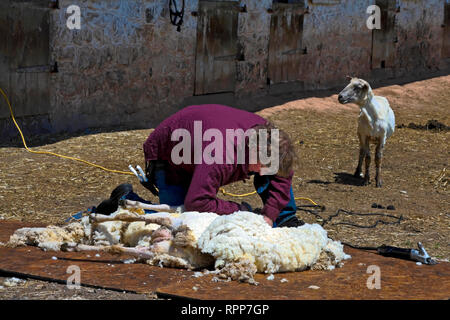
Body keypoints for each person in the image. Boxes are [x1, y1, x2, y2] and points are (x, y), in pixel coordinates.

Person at [141, 104, 303, 228]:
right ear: (254, 150)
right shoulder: (221, 155)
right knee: (178, 220)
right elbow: (197, 202)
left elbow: (282, 174)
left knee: (271, 171)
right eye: (262, 165)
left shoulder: (270, 138)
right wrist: (241, 211)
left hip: (205, 141)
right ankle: (125, 201)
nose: (261, 174)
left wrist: (269, 215)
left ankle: (284, 218)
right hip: (173, 156)